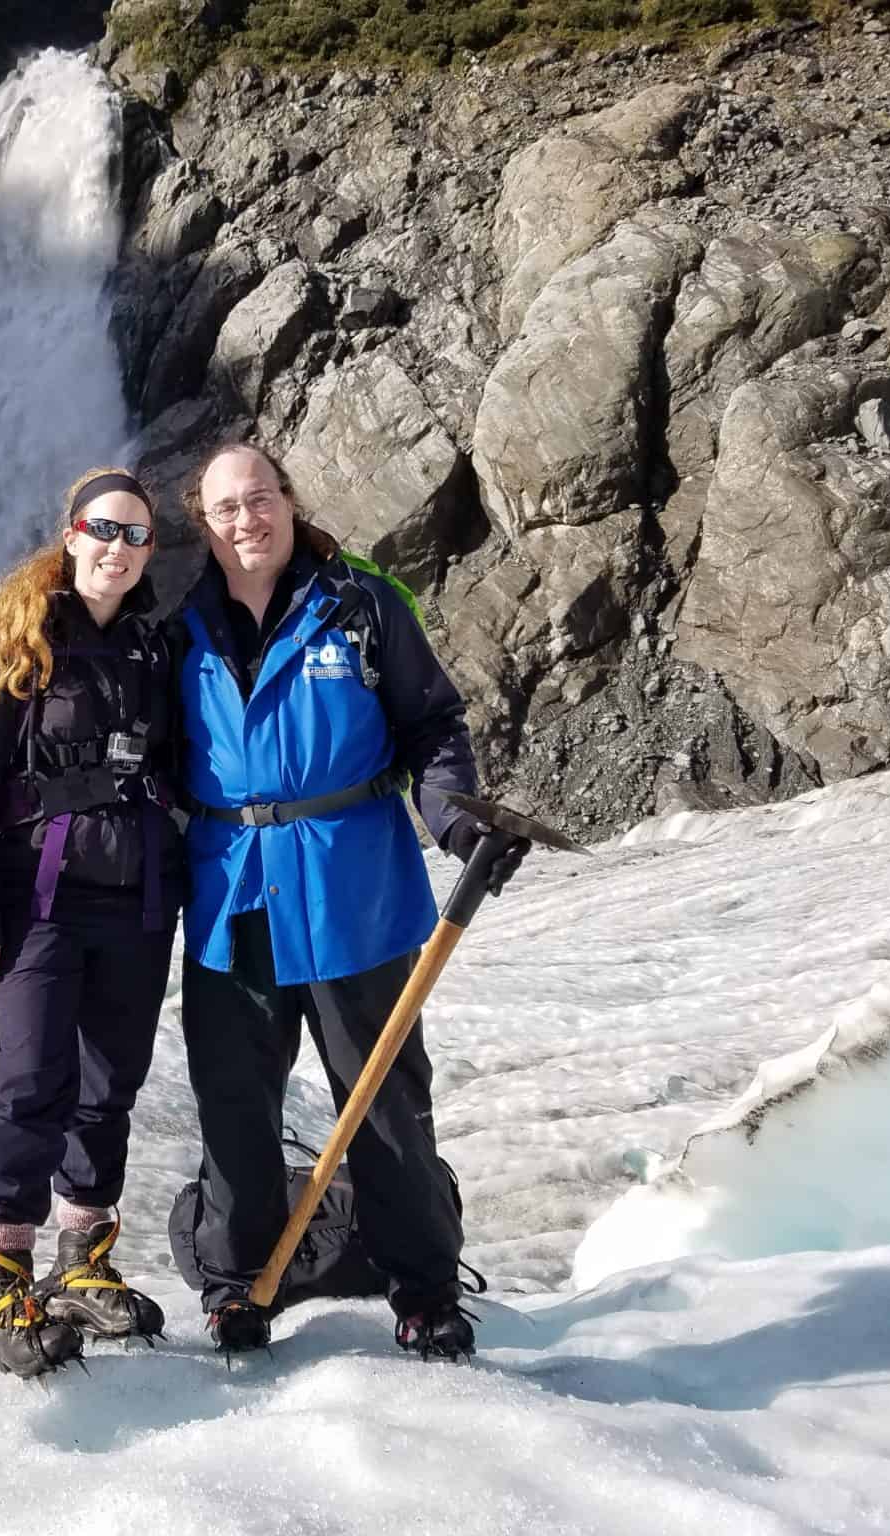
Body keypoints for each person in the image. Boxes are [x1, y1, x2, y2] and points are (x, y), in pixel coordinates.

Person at [170, 441, 513, 1361]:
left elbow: (431, 726)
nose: (248, 519)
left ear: (290, 500)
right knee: (234, 1100)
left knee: (384, 1099)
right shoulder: (178, 627)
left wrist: (456, 821)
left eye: (261, 498)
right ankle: (238, 1287)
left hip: (352, 891)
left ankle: (425, 1292)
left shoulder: (362, 604)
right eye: (227, 508)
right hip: (235, 896)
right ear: (204, 524)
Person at [0, 466, 184, 1378]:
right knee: (30, 1081)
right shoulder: (23, 641)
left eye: (136, 534)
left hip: (137, 903)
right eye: (104, 529)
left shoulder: (156, 650)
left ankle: (82, 1263)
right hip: (40, 903)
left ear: (150, 549)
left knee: (108, 1085)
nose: (119, 548)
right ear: (72, 534)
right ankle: (4, 1283)